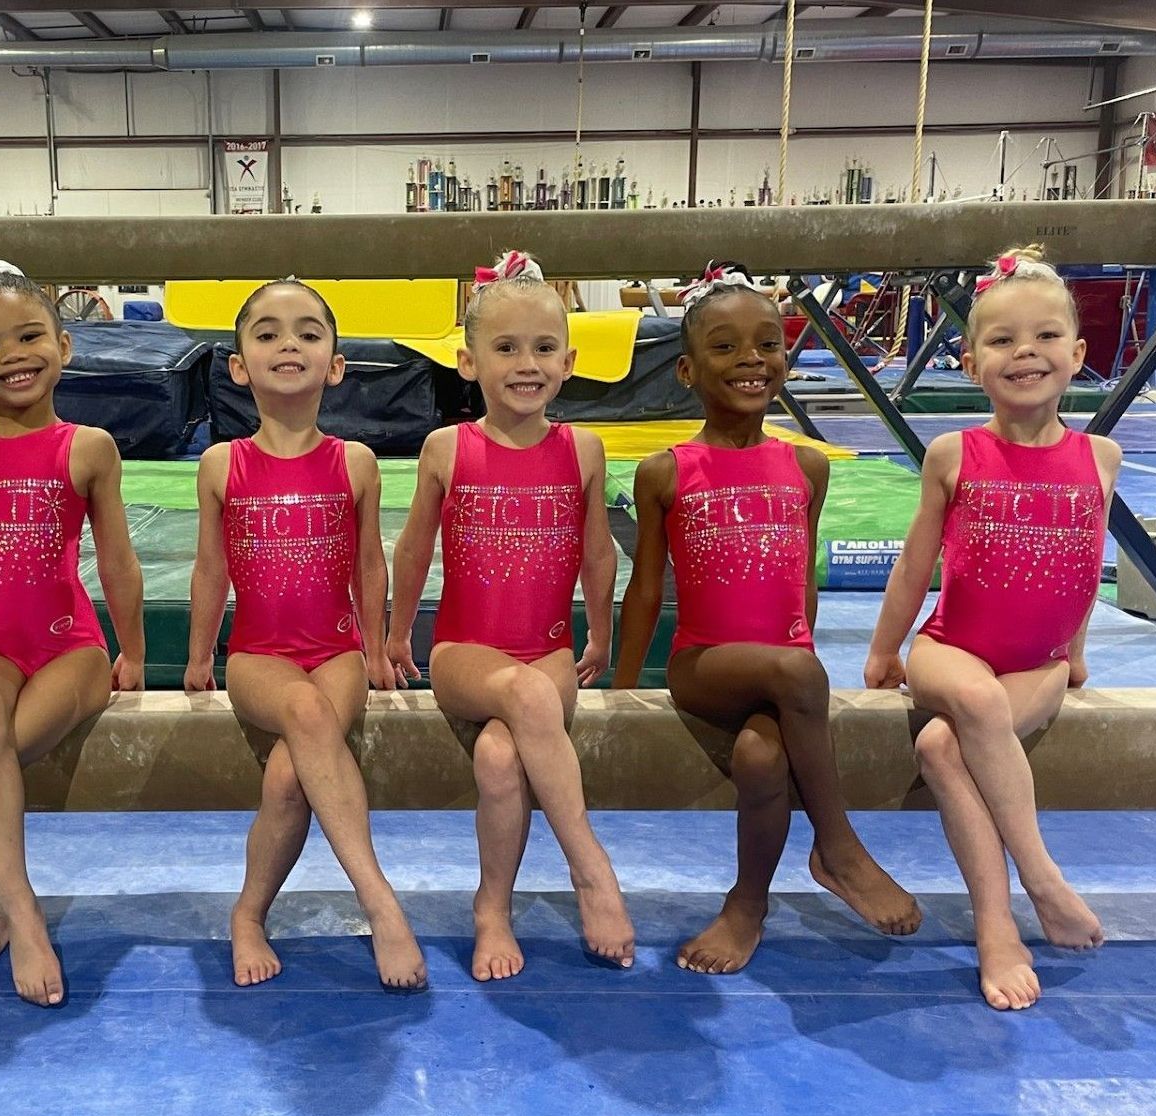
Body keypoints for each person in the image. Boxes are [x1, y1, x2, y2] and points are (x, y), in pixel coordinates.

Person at [614, 262, 922, 975]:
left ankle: (745, 907)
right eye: (725, 347)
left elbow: (801, 584)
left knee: (762, 759)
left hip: (785, 676)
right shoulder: (669, 469)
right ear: (687, 370)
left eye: (768, 343)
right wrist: (621, 692)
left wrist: (800, 696)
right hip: (704, 665)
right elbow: (646, 587)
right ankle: (839, 847)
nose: (752, 359)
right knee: (794, 667)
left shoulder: (806, 467)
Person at [866, 246, 1115, 1011]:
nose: (1025, 353)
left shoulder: (1099, 459)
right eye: (1003, 341)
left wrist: (1074, 654)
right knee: (967, 710)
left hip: (1036, 663)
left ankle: (994, 921)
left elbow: (1084, 562)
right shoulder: (955, 453)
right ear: (971, 361)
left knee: (942, 746)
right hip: (950, 649)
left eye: (1044, 337)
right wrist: (883, 649)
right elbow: (915, 566)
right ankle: (1034, 883)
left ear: (1077, 355)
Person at [389, 250, 634, 980]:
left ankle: (491, 907)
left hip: (551, 649)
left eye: (543, 348)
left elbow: (599, 554)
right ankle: (591, 867)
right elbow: (410, 551)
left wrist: (601, 629)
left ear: (569, 361)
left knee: (501, 757)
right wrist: (395, 635)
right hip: (464, 650)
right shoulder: (446, 449)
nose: (526, 364)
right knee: (522, 696)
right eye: (505, 348)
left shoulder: (584, 450)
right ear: (469, 363)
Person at [185, 279, 425, 991]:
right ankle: (380, 903)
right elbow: (209, 567)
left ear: (336, 363)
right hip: (259, 656)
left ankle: (248, 914)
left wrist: (378, 647)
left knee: (291, 773)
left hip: (337, 650)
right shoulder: (222, 464)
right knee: (305, 716)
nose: (288, 343)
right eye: (266, 333)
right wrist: (199, 656)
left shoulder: (354, 462)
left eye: (307, 333)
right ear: (238, 366)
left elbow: (370, 562)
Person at [0, 264, 145, 1007]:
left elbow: (116, 558)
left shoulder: (87, 446)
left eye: (29, 337)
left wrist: (135, 651)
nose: (12, 355)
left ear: (64, 344)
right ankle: (15, 914)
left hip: (69, 648)